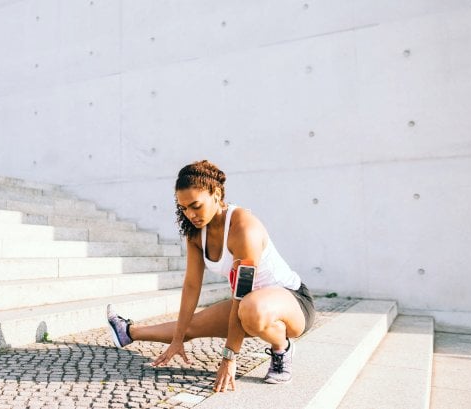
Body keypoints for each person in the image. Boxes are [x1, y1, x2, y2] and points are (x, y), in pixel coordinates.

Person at [106, 160, 315, 392]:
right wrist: (177, 339)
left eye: (195, 206)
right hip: (249, 302)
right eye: (183, 208)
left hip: (292, 303)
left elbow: (241, 292)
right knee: (189, 327)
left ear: (216, 193)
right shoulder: (195, 232)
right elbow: (192, 285)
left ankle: (282, 348)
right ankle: (128, 332)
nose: (190, 214)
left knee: (251, 308)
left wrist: (229, 358)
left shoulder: (243, 228)